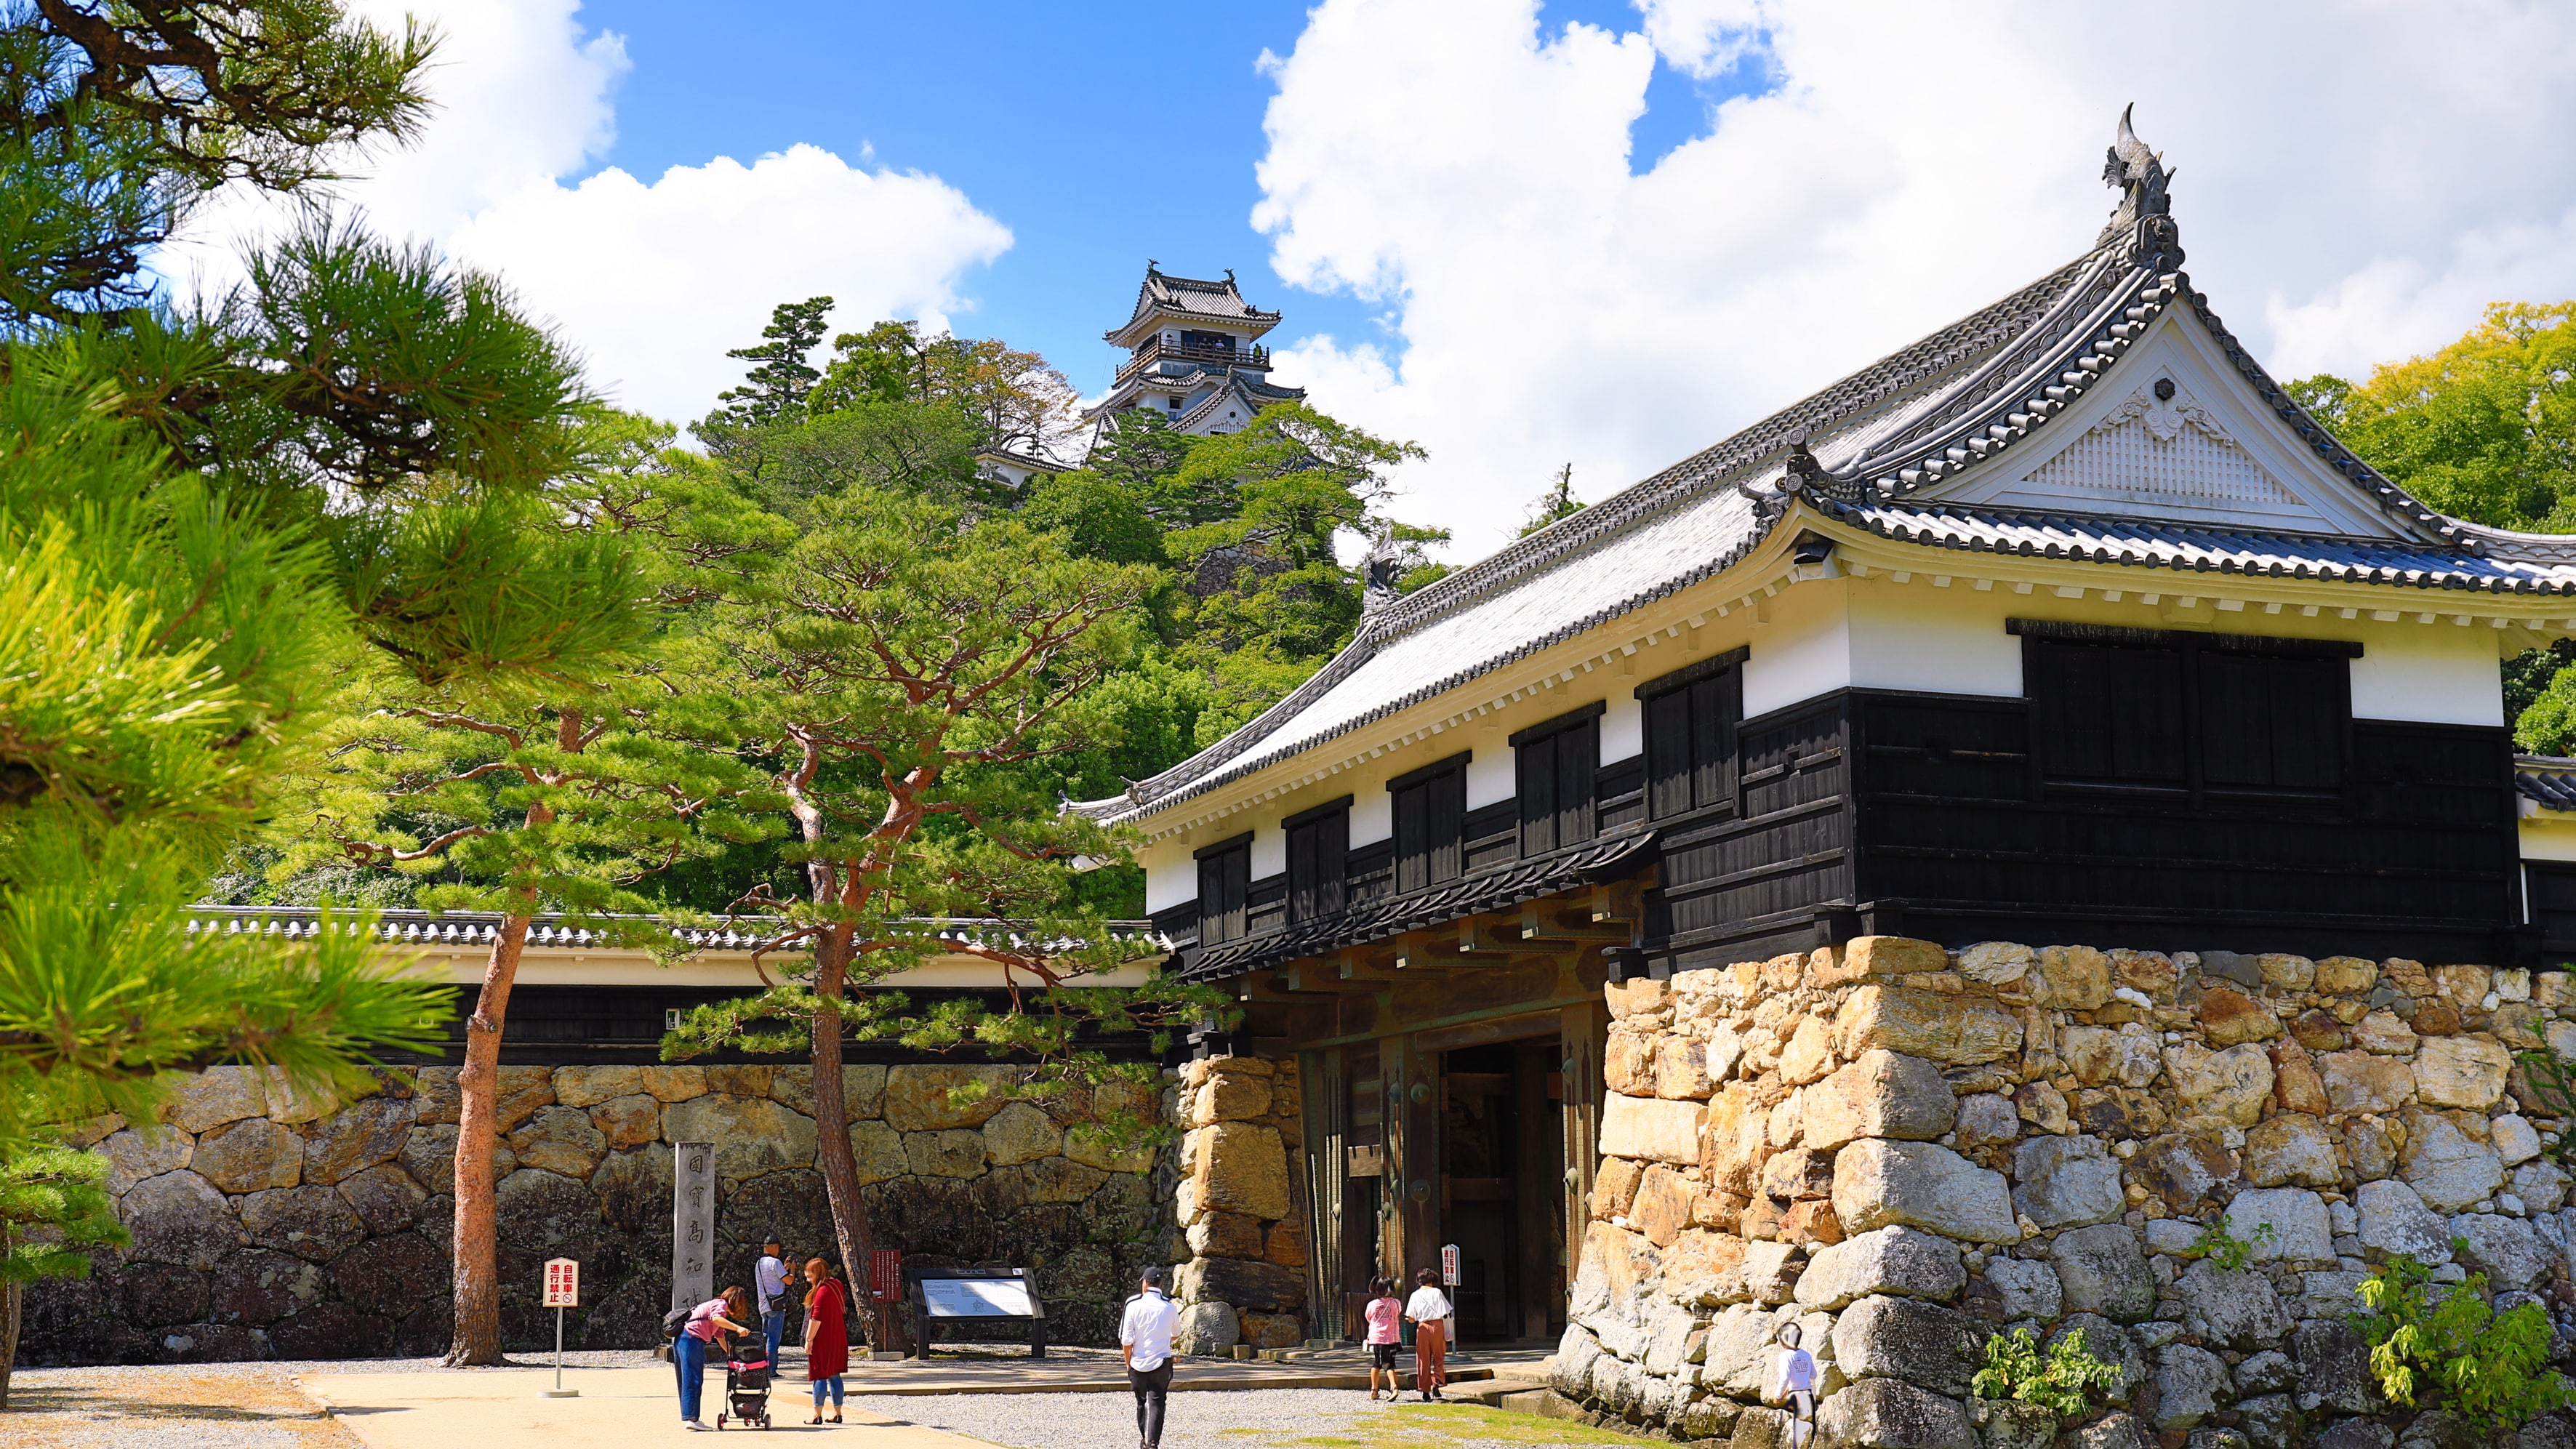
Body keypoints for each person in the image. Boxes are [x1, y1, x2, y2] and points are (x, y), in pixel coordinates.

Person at [677, 1285, 754, 1431]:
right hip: (692, 1339)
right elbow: (716, 1319)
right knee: (693, 1379)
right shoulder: (721, 1304)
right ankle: (692, 1419)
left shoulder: (716, 1305)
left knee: (687, 1379)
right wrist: (738, 1328)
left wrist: (732, 1354)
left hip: (684, 1339)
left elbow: (719, 1335)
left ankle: (690, 1416)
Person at [1120, 1265, 1181, 1449]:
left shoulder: (1133, 1305)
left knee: (1141, 1403)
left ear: (1145, 1283)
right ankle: (1152, 1442)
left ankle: (1143, 1438)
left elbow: (1126, 1341)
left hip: (1138, 1364)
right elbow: (1176, 1334)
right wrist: (1161, 1337)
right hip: (1161, 1364)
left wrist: (1128, 1363)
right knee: (1157, 1403)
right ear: (1160, 1284)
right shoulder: (1170, 1307)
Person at [802, 1256, 849, 1426]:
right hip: (838, 1335)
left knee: (819, 1375)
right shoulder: (837, 1284)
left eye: (810, 1276)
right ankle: (837, 1413)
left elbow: (816, 1318)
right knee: (834, 1374)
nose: (808, 1280)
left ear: (818, 1274)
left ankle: (817, 1414)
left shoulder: (822, 1291)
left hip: (822, 1338)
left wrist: (809, 1339)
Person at [1403, 1267, 1453, 1402]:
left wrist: (1413, 1319)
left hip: (1423, 1327)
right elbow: (1446, 1311)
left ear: (1419, 1281)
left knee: (1423, 1359)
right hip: (1437, 1326)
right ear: (1432, 1280)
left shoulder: (1415, 1295)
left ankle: (1425, 1389)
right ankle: (1437, 1382)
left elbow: (1411, 1317)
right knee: (1439, 1356)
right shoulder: (1437, 1292)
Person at [1767, 1322, 1818, 1449]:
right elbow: (1814, 1375)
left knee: (1797, 1432)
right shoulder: (1806, 1355)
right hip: (1808, 1395)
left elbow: (1785, 1377)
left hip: (1795, 1396)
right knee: (1808, 1430)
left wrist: (1778, 1395)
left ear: (1782, 1342)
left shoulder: (1785, 1356)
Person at [1362, 1276, 1403, 1402]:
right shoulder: (1395, 1303)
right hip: (1391, 1338)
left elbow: (1368, 1317)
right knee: (1389, 1363)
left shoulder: (1372, 1304)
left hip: (1377, 1338)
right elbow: (1398, 1313)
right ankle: (1393, 1387)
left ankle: (1376, 1390)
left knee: (1378, 1363)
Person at [755, 1235, 791, 1368]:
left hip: (764, 1305)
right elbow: (789, 1280)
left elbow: (773, 1278)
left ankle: (763, 1368)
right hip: (776, 1306)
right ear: (772, 1247)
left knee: (765, 1339)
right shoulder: (775, 1262)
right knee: (773, 1340)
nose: (778, 1251)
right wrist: (792, 1269)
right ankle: (771, 1370)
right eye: (777, 1248)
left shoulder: (759, 1263)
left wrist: (784, 1267)